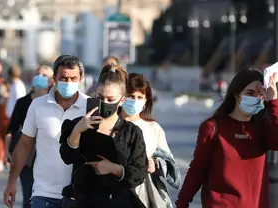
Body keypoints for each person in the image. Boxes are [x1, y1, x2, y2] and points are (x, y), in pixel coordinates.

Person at [176, 68, 278, 208]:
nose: (256, 98)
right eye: (250, 93)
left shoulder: (262, 128)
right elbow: (197, 170)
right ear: (237, 94)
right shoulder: (213, 127)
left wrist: (273, 102)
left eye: (261, 95)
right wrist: (182, 203)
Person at [4, 55, 88, 208]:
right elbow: (24, 145)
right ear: (54, 78)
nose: (68, 83)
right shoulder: (37, 105)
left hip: (79, 196)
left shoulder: (90, 108)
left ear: (81, 78)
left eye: (73, 78)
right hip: (44, 194)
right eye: (63, 78)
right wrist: (12, 181)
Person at [59, 65, 148, 208]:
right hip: (84, 201)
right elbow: (67, 157)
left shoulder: (132, 133)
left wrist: (114, 168)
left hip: (119, 202)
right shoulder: (78, 124)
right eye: (100, 97)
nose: (105, 103)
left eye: (110, 99)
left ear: (122, 100)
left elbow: (139, 173)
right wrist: (77, 131)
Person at [120, 73, 178, 207]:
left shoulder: (153, 128)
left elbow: (169, 163)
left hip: (144, 194)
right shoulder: (110, 124)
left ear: (146, 101)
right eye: (131, 96)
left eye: (140, 97)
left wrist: (156, 164)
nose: (135, 101)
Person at [4, 65, 54, 208]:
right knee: (29, 198)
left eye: (45, 75)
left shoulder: (56, 103)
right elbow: (11, 129)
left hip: (48, 158)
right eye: (38, 74)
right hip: (27, 158)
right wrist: (7, 151)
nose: (40, 77)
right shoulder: (23, 103)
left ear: (52, 80)